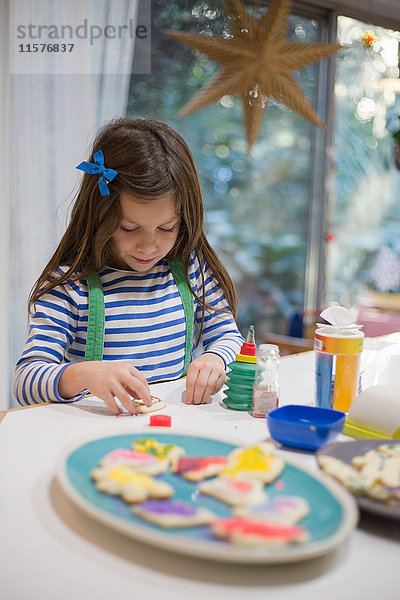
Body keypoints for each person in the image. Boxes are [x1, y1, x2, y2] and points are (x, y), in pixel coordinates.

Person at [13, 117, 244, 415]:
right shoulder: (72, 286)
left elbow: (230, 337)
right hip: (94, 442)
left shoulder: (190, 269)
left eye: (166, 228)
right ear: (100, 215)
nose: (149, 247)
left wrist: (215, 359)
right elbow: (25, 381)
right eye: (129, 228)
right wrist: (83, 374)